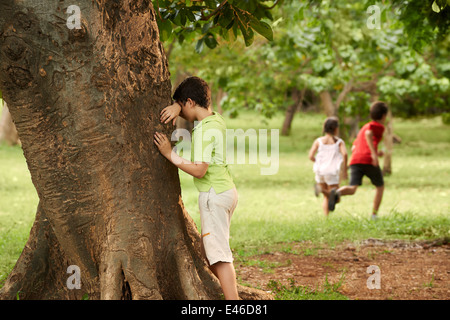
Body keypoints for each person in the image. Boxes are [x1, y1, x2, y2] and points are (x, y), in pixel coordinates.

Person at [153, 76, 239, 300]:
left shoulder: (202, 132)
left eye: (182, 106)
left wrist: (169, 154)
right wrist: (177, 105)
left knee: (219, 256)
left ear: (190, 102)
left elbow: (200, 170)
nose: (180, 113)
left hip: (214, 195)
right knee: (208, 252)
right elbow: (194, 101)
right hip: (226, 192)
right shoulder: (215, 120)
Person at [328, 101, 389, 220]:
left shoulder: (364, 127)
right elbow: (368, 134)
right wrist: (373, 155)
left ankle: (337, 192)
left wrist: (375, 152)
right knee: (380, 187)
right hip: (368, 160)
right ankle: (374, 215)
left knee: (352, 189)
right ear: (383, 116)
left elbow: (354, 146)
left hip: (355, 159)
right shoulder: (377, 126)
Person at [308, 117, 347, 216]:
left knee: (327, 196)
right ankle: (322, 191)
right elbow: (345, 154)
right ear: (336, 129)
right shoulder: (339, 142)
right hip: (332, 171)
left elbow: (311, 156)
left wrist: (318, 162)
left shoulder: (319, 141)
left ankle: (326, 217)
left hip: (320, 170)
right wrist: (345, 168)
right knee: (336, 198)